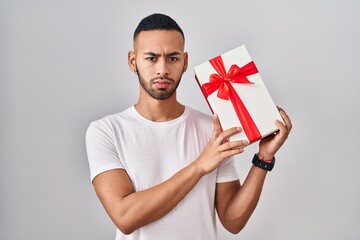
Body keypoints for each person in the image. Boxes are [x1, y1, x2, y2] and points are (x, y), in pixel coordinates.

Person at [85, 13, 292, 240]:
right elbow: (126, 217)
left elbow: (233, 221)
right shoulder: (106, 131)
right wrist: (199, 166)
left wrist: (263, 159)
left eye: (172, 58)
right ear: (132, 61)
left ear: (184, 62)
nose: (162, 69)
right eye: (151, 58)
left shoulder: (212, 129)